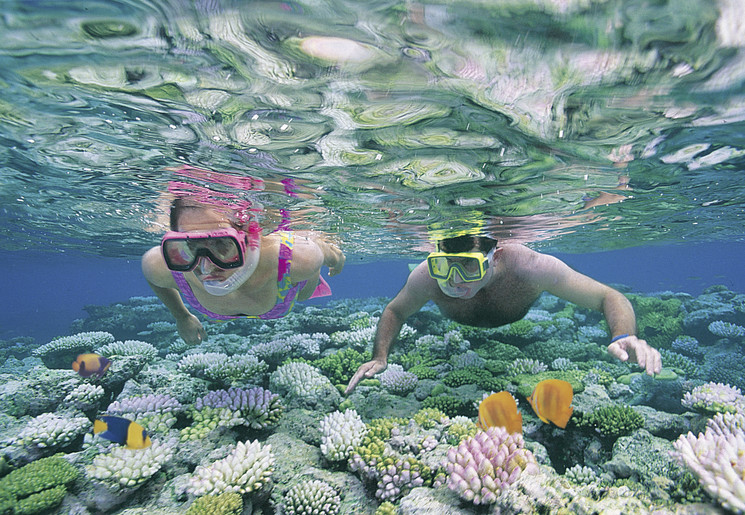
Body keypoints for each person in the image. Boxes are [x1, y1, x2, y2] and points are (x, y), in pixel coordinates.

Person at [345, 234, 661, 394]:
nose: (454, 280)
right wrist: (380, 356)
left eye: (469, 265)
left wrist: (623, 335)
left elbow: (608, 296)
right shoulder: (426, 277)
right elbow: (396, 310)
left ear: (493, 259)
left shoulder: (530, 267)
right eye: (444, 266)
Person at [142, 198, 345, 345]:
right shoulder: (163, 263)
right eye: (189, 245)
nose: (207, 266)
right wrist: (181, 316)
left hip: (287, 285)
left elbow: (329, 255)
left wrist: (336, 259)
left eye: (221, 243)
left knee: (304, 292)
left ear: (249, 239)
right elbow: (154, 279)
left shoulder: (298, 259)